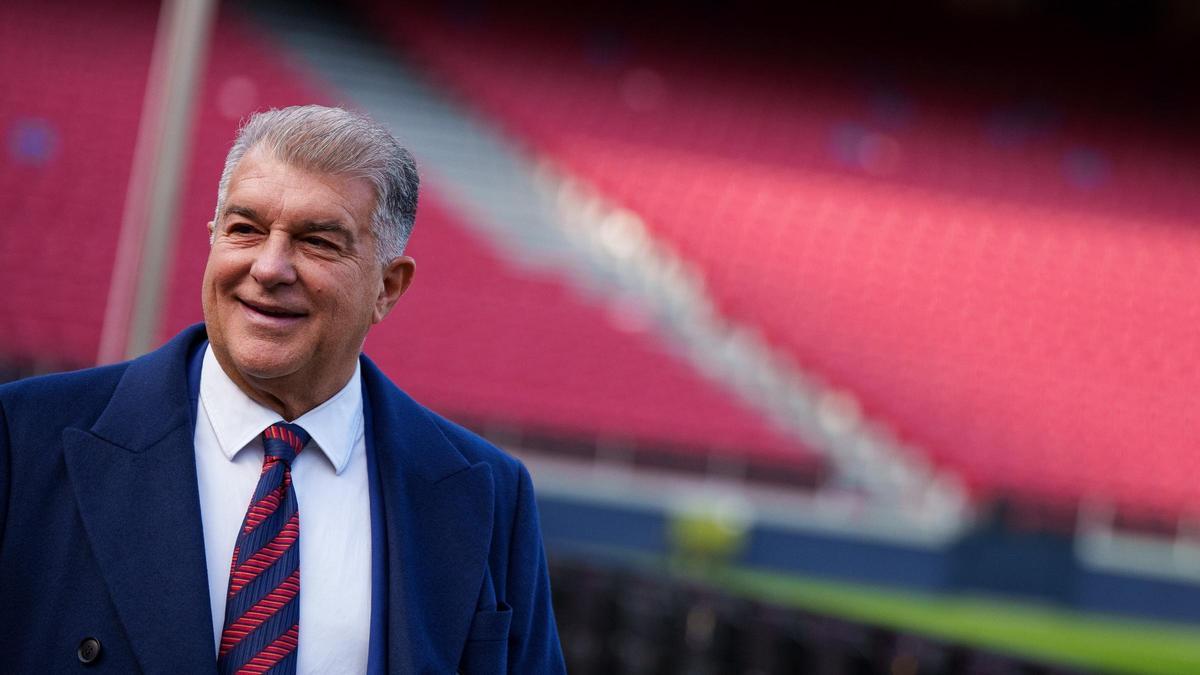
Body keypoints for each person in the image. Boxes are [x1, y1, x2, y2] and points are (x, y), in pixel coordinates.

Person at [0, 105, 566, 674]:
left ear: (387, 288)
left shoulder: (489, 496)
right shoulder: (24, 440)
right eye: (244, 229)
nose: (270, 267)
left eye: (317, 242)